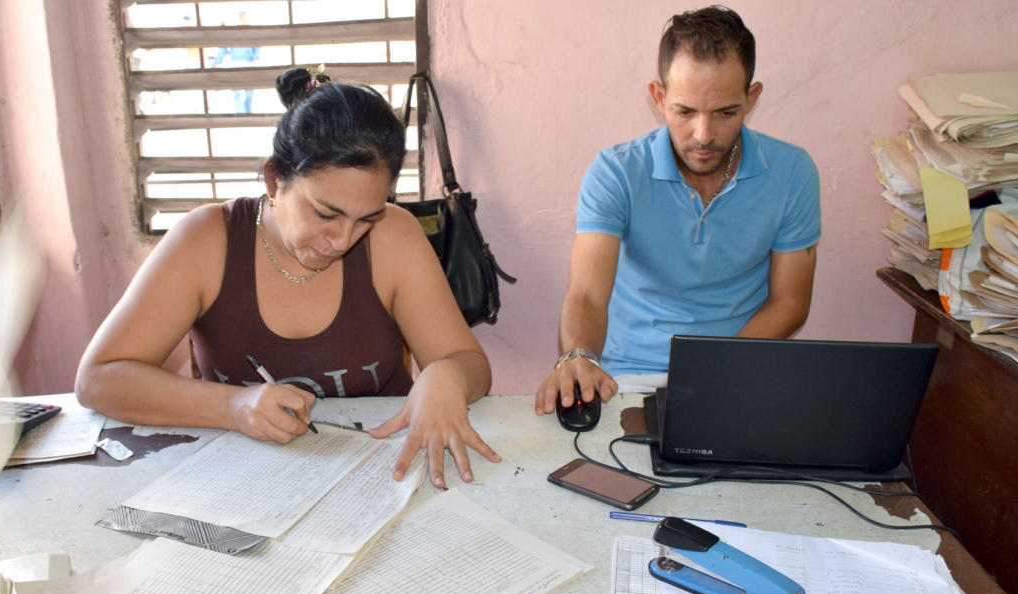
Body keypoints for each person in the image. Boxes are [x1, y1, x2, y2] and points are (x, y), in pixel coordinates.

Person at [76, 67, 500, 489]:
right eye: (325, 213)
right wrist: (233, 406)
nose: (341, 240)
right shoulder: (206, 241)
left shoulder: (395, 235)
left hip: (380, 475)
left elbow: (469, 364)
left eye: (365, 219)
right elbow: (100, 379)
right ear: (274, 179)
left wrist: (446, 377)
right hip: (239, 480)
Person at [535, 5, 820, 416]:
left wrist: (711, 373)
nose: (703, 136)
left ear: (751, 98)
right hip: (626, 379)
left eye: (725, 113)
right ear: (659, 97)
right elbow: (586, 294)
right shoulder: (616, 173)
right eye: (685, 112)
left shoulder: (793, 173)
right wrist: (579, 356)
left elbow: (790, 303)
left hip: (737, 371)